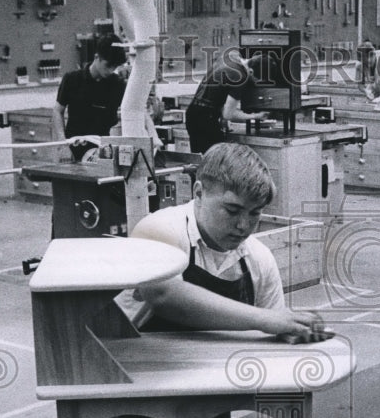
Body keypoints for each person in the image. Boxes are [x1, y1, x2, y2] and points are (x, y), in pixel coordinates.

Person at [124, 142, 328, 342]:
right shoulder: (158, 229)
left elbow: (276, 331)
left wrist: (295, 330)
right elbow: (163, 295)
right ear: (199, 193)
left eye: (254, 213)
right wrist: (263, 319)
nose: (243, 225)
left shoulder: (260, 259)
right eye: (232, 210)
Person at [52, 33, 127, 159]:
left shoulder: (118, 84)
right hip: (72, 150)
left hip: (103, 152)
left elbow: (136, 110)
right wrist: (62, 144)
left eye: (114, 67)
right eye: (108, 65)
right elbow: (57, 111)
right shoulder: (72, 79)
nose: (110, 71)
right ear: (97, 57)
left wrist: (154, 135)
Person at [184, 49, 270, 154]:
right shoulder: (240, 77)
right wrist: (256, 116)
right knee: (215, 159)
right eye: (256, 80)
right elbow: (228, 114)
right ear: (251, 71)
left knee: (200, 159)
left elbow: (218, 91)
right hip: (205, 120)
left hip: (193, 113)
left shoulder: (231, 56)